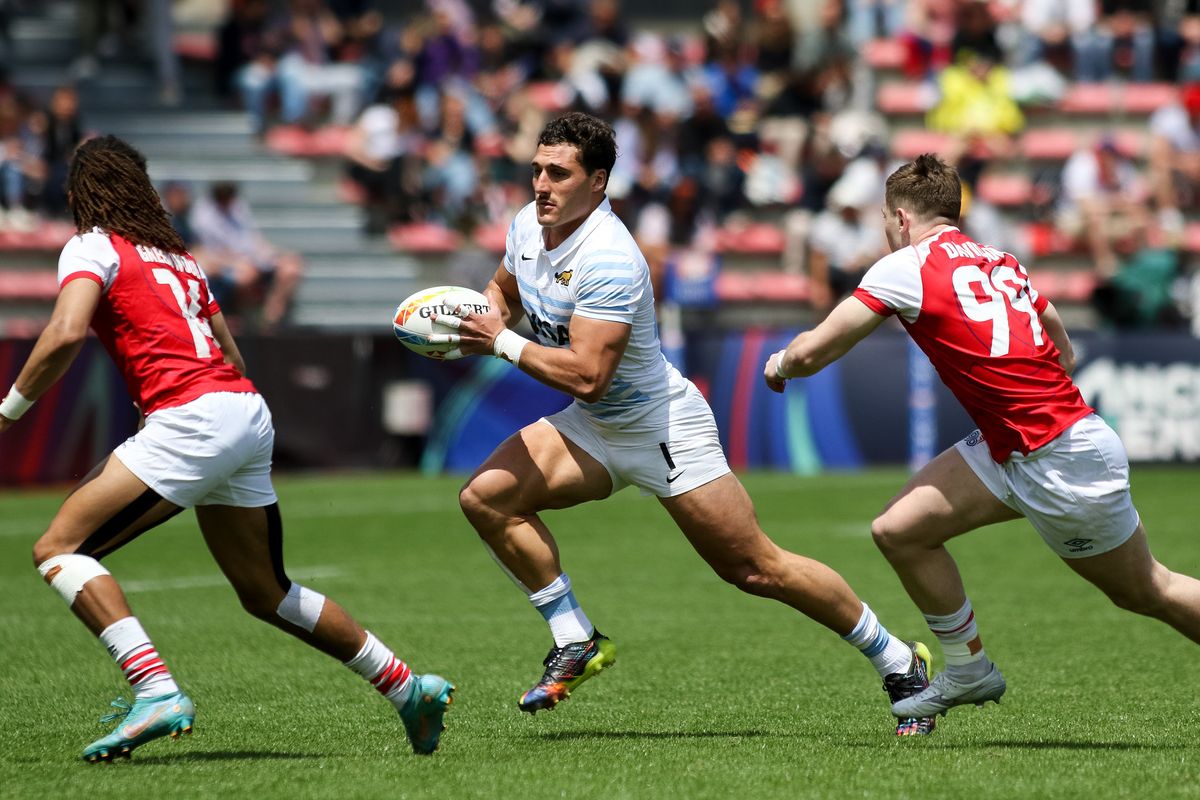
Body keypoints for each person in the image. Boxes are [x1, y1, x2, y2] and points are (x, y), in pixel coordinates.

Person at [427, 112, 935, 736]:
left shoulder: (611, 257)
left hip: (660, 427)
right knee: (486, 499)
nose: (541, 185)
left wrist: (499, 342)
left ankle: (899, 661)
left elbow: (589, 375)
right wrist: (463, 322)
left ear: (599, 182)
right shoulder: (528, 227)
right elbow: (502, 292)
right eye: (536, 170)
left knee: (754, 568)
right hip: (594, 425)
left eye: (558, 174)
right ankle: (576, 639)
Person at [0, 136, 452, 762]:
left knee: (58, 549)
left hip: (194, 417)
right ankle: (408, 687)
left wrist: (8, 411)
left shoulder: (91, 245)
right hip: (243, 408)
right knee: (266, 591)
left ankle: (155, 690)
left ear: (80, 194)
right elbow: (230, 354)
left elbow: (66, 330)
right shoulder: (181, 258)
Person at [763, 154, 1200, 720]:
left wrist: (780, 365)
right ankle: (968, 669)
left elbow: (816, 349)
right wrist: (1058, 364)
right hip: (1022, 445)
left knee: (1146, 589)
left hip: (1056, 460)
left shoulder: (907, 265)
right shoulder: (999, 258)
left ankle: (969, 668)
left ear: (899, 217)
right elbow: (1053, 324)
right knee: (899, 531)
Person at [190, 180, 304, 331]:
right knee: (247, 276)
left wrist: (273, 255)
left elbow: (252, 239)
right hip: (227, 264)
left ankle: (271, 315)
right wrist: (239, 261)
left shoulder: (238, 207)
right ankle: (249, 320)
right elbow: (209, 251)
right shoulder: (203, 216)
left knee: (291, 268)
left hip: (251, 259)